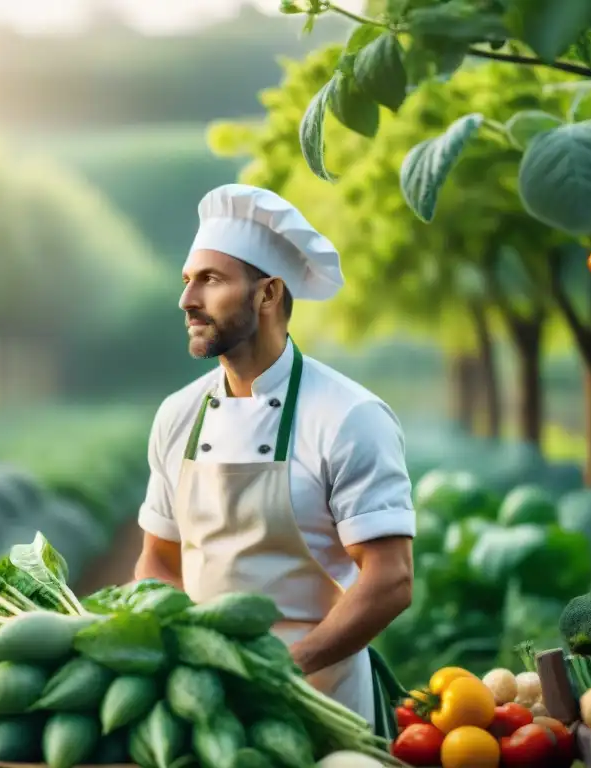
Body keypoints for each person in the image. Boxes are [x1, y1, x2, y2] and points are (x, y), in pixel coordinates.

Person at [133, 183, 416, 729]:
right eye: (187, 280)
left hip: (321, 706)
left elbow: (391, 580)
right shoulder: (178, 414)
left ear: (268, 293)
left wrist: (284, 669)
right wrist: (196, 657)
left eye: (210, 280)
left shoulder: (349, 416)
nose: (186, 300)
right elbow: (158, 560)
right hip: (210, 705)